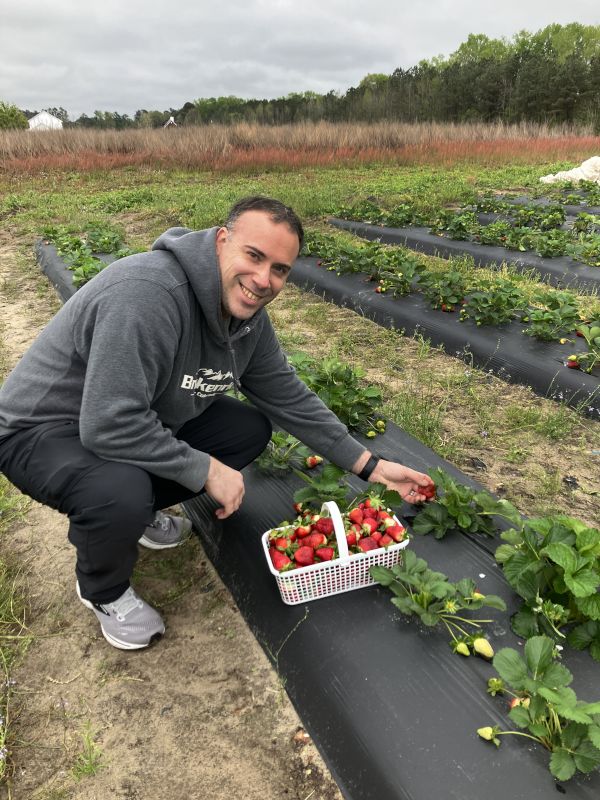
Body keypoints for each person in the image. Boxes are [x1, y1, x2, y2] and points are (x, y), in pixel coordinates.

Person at [0, 196, 434, 651]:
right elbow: (107, 423)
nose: (264, 280)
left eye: (281, 269)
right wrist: (204, 469)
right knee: (118, 490)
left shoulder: (245, 318)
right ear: (221, 241)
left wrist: (373, 467)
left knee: (245, 430)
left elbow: (286, 394)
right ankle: (102, 590)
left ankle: (135, 511)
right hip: (41, 431)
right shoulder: (148, 295)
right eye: (254, 255)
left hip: (125, 418)